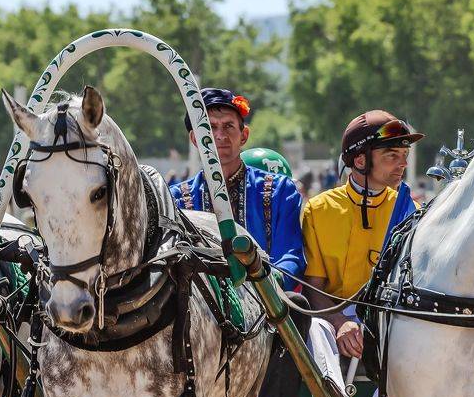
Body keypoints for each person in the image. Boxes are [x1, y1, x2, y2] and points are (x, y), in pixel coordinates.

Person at [301, 110, 421, 359]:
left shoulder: (412, 211)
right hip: (331, 320)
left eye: (404, 155)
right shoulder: (319, 209)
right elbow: (313, 287)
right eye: (392, 156)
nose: (403, 164)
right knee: (316, 330)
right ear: (359, 161)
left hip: (391, 321)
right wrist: (338, 321)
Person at [170, 88, 304, 288]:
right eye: (210, 127)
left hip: (269, 306)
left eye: (228, 126)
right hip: (202, 310)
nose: (220, 135)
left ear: (244, 135)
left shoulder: (279, 190)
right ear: (195, 139)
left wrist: (268, 285)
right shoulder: (177, 199)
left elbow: (291, 255)